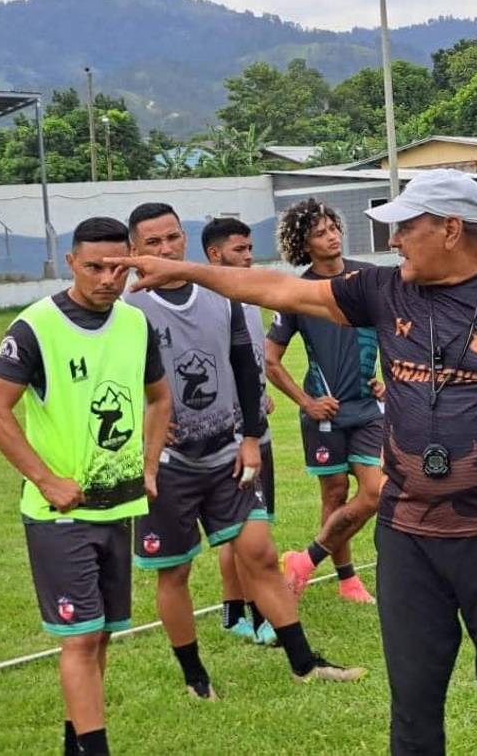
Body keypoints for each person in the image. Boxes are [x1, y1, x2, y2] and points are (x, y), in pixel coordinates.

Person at [108, 170, 477, 756]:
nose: (393, 241)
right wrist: (187, 271)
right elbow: (277, 290)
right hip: (408, 538)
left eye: (405, 228)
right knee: (413, 705)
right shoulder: (384, 290)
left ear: (450, 229)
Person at [126, 203, 364, 697]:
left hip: (228, 453)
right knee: (176, 571)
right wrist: (141, 432)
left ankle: (304, 663)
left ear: (186, 239)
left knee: (261, 552)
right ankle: (196, 678)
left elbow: (245, 365)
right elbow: (110, 382)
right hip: (168, 464)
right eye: (153, 242)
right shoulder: (128, 308)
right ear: (134, 250)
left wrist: (251, 439)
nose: (166, 248)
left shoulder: (222, 293)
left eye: (173, 237)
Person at [0, 217, 171, 756]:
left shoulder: (135, 324)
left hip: (119, 508)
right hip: (59, 515)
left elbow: (160, 398)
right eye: (94, 267)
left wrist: (149, 467)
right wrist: (45, 480)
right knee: (82, 636)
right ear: (71, 263)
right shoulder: (34, 327)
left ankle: (76, 743)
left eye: (118, 267)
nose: (107, 279)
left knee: (101, 632)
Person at [263, 199, 381, 603]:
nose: (331, 236)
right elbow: (270, 360)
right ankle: (348, 580)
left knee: (377, 491)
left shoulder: (368, 279)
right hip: (324, 414)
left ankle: (305, 560)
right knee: (334, 494)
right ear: (304, 244)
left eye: (333, 228)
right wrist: (307, 402)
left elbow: (401, 329)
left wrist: (389, 381)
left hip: (368, 410)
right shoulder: (298, 292)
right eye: (319, 233)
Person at [200, 218, 278, 644]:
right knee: (243, 528)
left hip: (256, 428)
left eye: (250, 249)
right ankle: (257, 615)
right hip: (231, 436)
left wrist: (260, 395)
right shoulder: (207, 301)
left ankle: (236, 613)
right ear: (215, 255)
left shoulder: (250, 296)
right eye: (239, 250)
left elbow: (250, 362)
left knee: (252, 526)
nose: (249, 257)